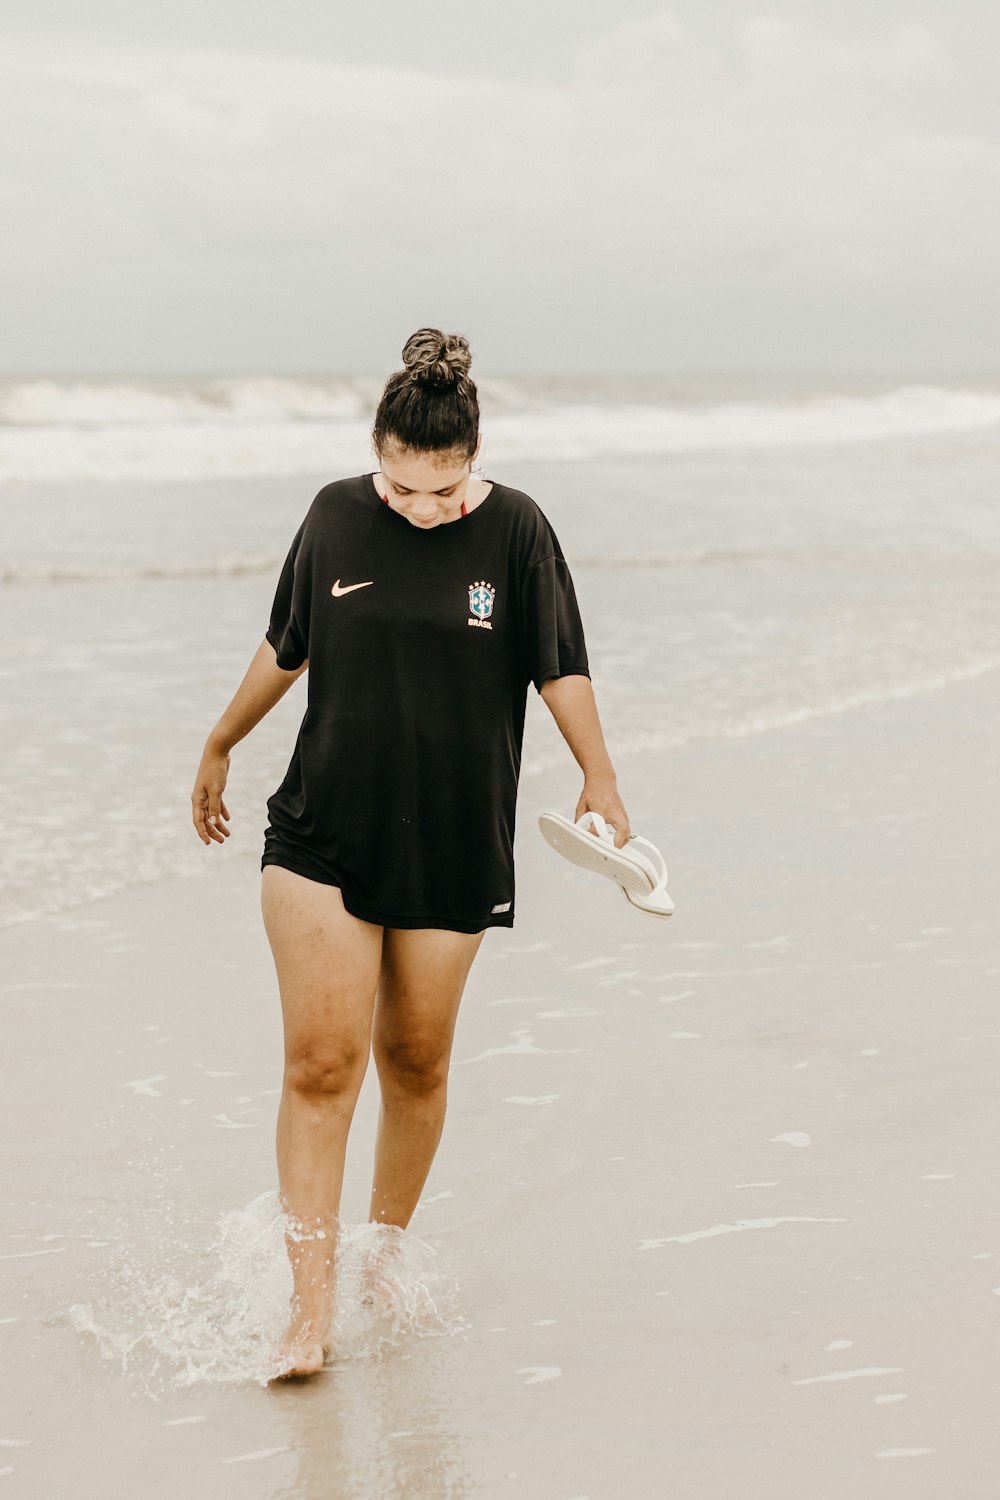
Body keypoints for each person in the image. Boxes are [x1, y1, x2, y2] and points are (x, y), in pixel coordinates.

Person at [190, 327, 631, 1378]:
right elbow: (286, 641)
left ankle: (381, 1249)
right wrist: (219, 740)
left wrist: (600, 776)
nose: (423, 510)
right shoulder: (334, 516)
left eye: (443, 492)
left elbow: (558, 665)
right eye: (403, 489)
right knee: (322, 1063)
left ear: (472, 462)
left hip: (451, 835)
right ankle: (310, 1310)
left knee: (416, 1059)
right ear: (375, 454)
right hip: (323, 830)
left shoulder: (519, 532)